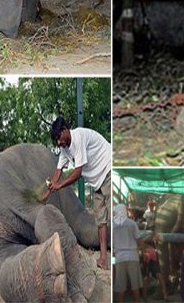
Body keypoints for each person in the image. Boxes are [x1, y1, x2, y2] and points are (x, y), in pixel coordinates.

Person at [45, 115, 112, 270]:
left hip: (107, 170)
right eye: (56, 140)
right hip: (96, 183)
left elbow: (78, 172)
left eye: (59, 137)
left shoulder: (79, 137)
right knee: (101, 221)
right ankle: (103, 259)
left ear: (65, 130)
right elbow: (58, 170)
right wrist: (48, 190)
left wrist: (60, 185)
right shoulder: (65, 149)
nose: (59, 142)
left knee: (116, 215)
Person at [113, 204, 142, 303]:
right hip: (132, 256)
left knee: (120, 286)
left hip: (119, 257)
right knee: (135, 284)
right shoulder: (132, 224)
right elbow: (139, 239)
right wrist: (143, 250)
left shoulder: (113, 225)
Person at [141, 235, 167, 300]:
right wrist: (152, 235)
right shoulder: (146, 238)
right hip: (147, 260)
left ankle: (165, 295)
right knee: (147, 279)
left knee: (160, 277)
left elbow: (161, 239)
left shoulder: (155, 243)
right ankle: (145, 298)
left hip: (154, 260)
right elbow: (143, 241)